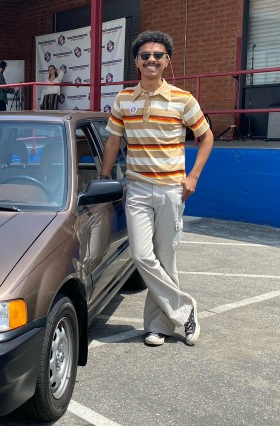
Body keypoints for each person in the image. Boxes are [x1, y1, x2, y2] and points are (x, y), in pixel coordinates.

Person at [100, 30, 214, 347]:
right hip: (137, 188)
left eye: (158, 55)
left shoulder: (183, 99)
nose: (151, 59)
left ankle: (157, 326)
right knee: (141, 255)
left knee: (165, 257)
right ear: (137, 62)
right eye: (145, 55)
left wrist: (193, 177)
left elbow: (206, 136)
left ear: (167, 61)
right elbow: (113, 142)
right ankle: (185, 311)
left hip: (171, 190)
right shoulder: (124, 99)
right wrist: (104, 177)